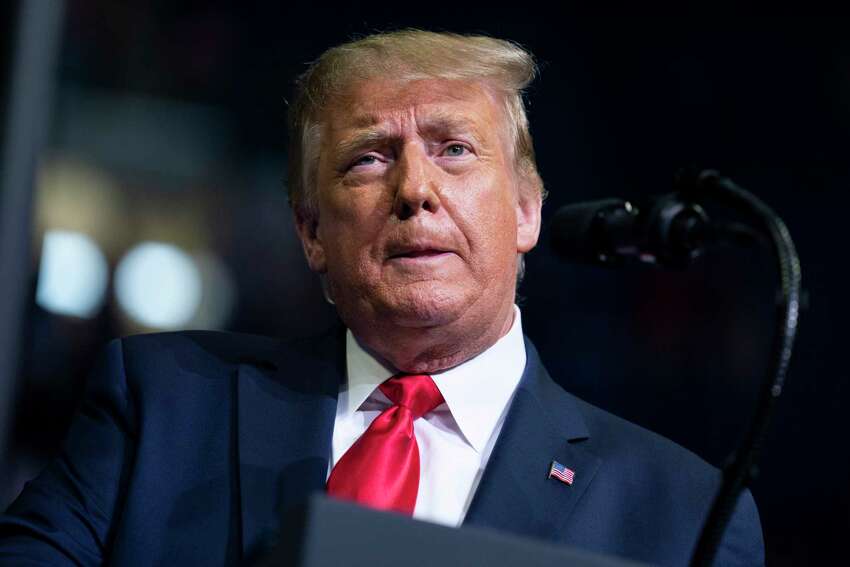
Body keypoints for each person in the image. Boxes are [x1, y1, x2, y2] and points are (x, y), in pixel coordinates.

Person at [0, 30, 764, 566]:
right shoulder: (159, 406)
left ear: (527, 209)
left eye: (454, 149)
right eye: (368, 159)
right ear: (310, 230)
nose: (415, 191)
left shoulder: (683, 510)